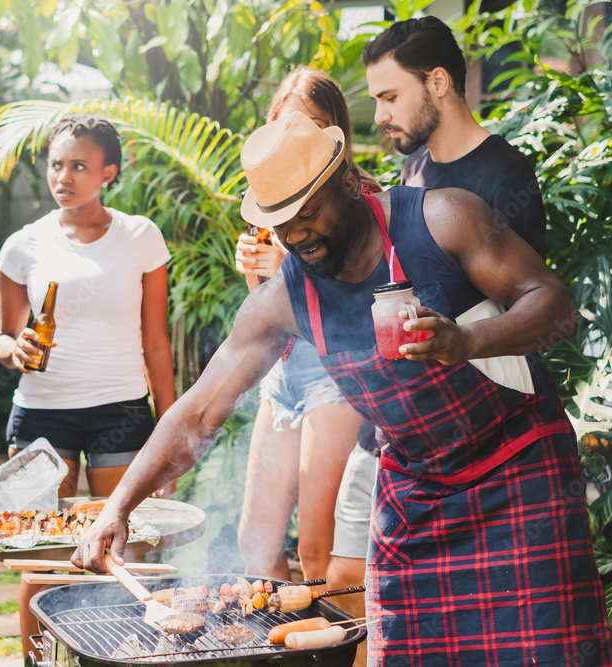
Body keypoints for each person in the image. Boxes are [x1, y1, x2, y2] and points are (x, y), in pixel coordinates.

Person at [73, 111, 612, 665]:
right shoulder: (282, 300)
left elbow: (555, 304)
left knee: (548, 652)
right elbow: (199, 412)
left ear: (350, 184)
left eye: (307, 212)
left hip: (519, 472)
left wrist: (466, 340)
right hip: (417, 492)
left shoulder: (444, 217)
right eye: (282, 223)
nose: (297, 234)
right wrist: (117, 506)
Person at [0, 113, 175, 662]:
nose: (64, 176)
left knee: (124, 550)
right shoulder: (23, 245)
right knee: (41, 556)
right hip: (41, 414)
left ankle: (118, 655)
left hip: (121, 409)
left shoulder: (140, 237)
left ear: (108, 172)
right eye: (55, 164)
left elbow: (157, 343)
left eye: (79, 165)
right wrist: (14, 350)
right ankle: (37, 662)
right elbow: (2, 339)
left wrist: (170, 436)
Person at [234, 68, 372, 659]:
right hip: (283, 376)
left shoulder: (355, 200)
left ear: (335, 134)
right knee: (256, 546)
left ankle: (344, 653)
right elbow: (264, 323)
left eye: (310, 126)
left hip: (333, 379)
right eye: (282, 125)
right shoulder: (271, 200)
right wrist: (256, 276)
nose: (295, 137)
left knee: (319, 556)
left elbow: (359, 297)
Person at [364, 15, 547, 256]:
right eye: (376, 101)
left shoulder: (506, 176)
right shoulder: (413, 166)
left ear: (438, 83)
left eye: (391, 98)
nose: (380, 117)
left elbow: (532, 291)